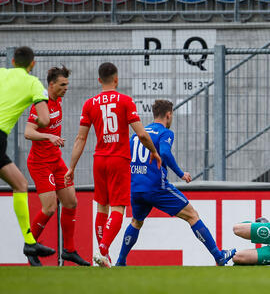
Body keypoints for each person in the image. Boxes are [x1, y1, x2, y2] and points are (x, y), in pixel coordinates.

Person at [115, 100, 236, 266]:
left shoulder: (136, 135)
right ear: (168, 115)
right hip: (157, 187)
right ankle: (218, 256)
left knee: (136, 222)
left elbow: (127, 159)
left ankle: (120, 261)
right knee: (192, 215)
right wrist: (181, 173)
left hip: (136, 188)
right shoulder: (165, 133)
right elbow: (164, 152)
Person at [65, 62, 162, 268]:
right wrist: (154, 152)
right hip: (119, 160)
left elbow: (80, 139)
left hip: (99, 159)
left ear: (99, 80)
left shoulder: (90, 104)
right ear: (116, 79)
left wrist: (71, 167)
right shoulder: (125, 101)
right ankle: (103, 250)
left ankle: (103, 254)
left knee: (102, 206)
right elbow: (142, 134)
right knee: (118, 207)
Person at [24, 66, 89, 266]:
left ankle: (69, 251)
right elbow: (28, 132)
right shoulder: (40, 105)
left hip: (55, 161)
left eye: (67, 85)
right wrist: (49, 136)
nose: (66, 88)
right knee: (50, 207)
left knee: (71, 202)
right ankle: (30, 245)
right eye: (62, 85)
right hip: (40, 164)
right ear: (51, 85)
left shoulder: (58, 100)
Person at [0, 46, 56, 264]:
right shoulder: (33, 83)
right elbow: (45, 120)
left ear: (12, 61)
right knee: (20, 186)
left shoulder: (2, 73)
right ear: (33, 64)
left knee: (20, 184)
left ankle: (30, 242)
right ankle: (29, 242)